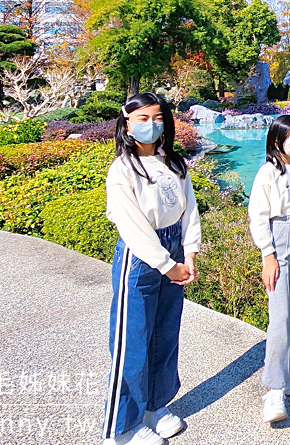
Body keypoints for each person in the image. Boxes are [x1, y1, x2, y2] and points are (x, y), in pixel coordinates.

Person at [102, 93, 201, 445]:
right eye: (142, 119)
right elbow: (131, 227)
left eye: (157, 117)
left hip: (174, 249)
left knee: (164, 334)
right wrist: (165, 264)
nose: (151, 125)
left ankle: (155, 407)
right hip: (141, 258)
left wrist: (189, 253)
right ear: (127, 124)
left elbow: (190, 210)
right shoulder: (123, 169)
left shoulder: (174, 163)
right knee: (134, 339)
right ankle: (122, 427)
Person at [248, 114, 290, 423]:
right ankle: (274, 387)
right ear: (276, 139)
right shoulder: (268, 172)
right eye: (289, 134)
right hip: (278, 236)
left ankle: (288, 373)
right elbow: (259, 215)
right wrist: (268, 254)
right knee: (280, 314)